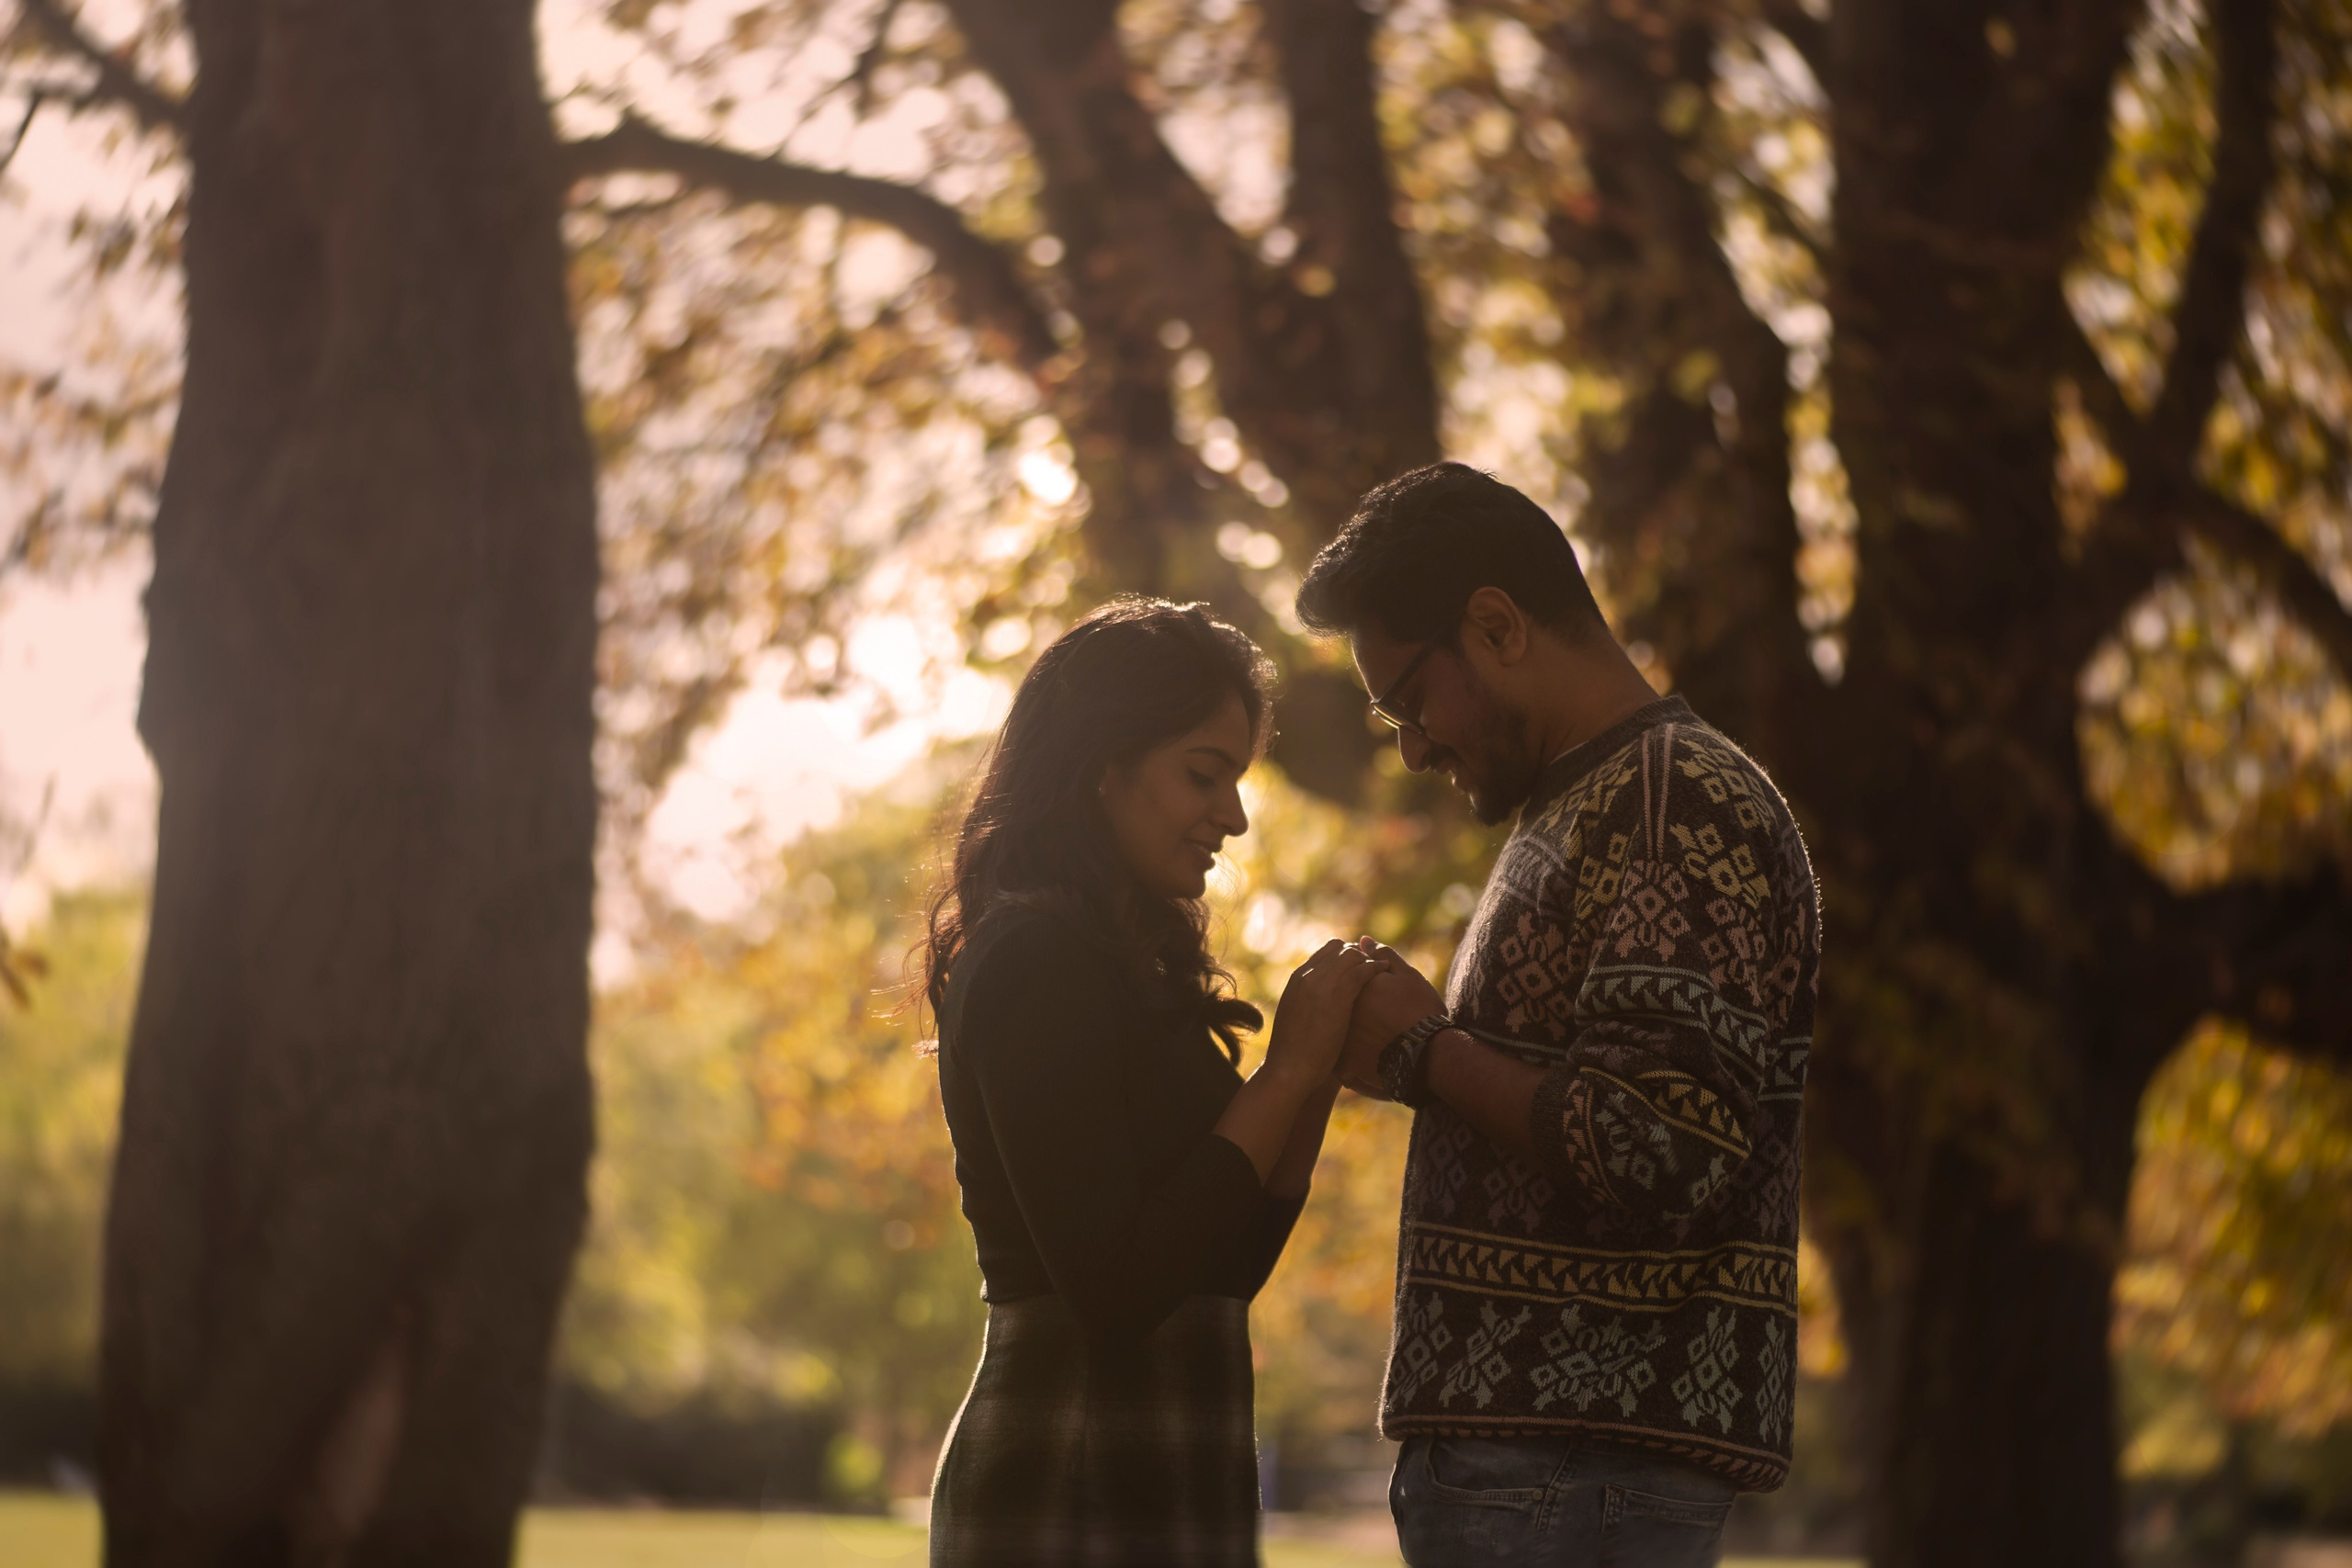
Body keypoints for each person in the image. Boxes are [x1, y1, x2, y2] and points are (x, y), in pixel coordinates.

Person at [1299, 464, 1820, 1567]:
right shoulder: (1592, 802)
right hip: (1547, 1477)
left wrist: (1423, 1051)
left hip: (1573, 1478)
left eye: (1408, 701)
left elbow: (1660, 1144)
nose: (1411, 747)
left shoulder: (1678, 803)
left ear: (1494, 626)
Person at [922, 596, 1379, 1567]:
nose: (1236, 816)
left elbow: (1224, 1268)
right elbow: (1116, 1293)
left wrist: (1313, 1077)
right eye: (1203, 775)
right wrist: (1285, 1071)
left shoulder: (1129, 969)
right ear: (1102, 768)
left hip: (1176, 1458)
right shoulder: (1032, 959)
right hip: (1069, 1467)